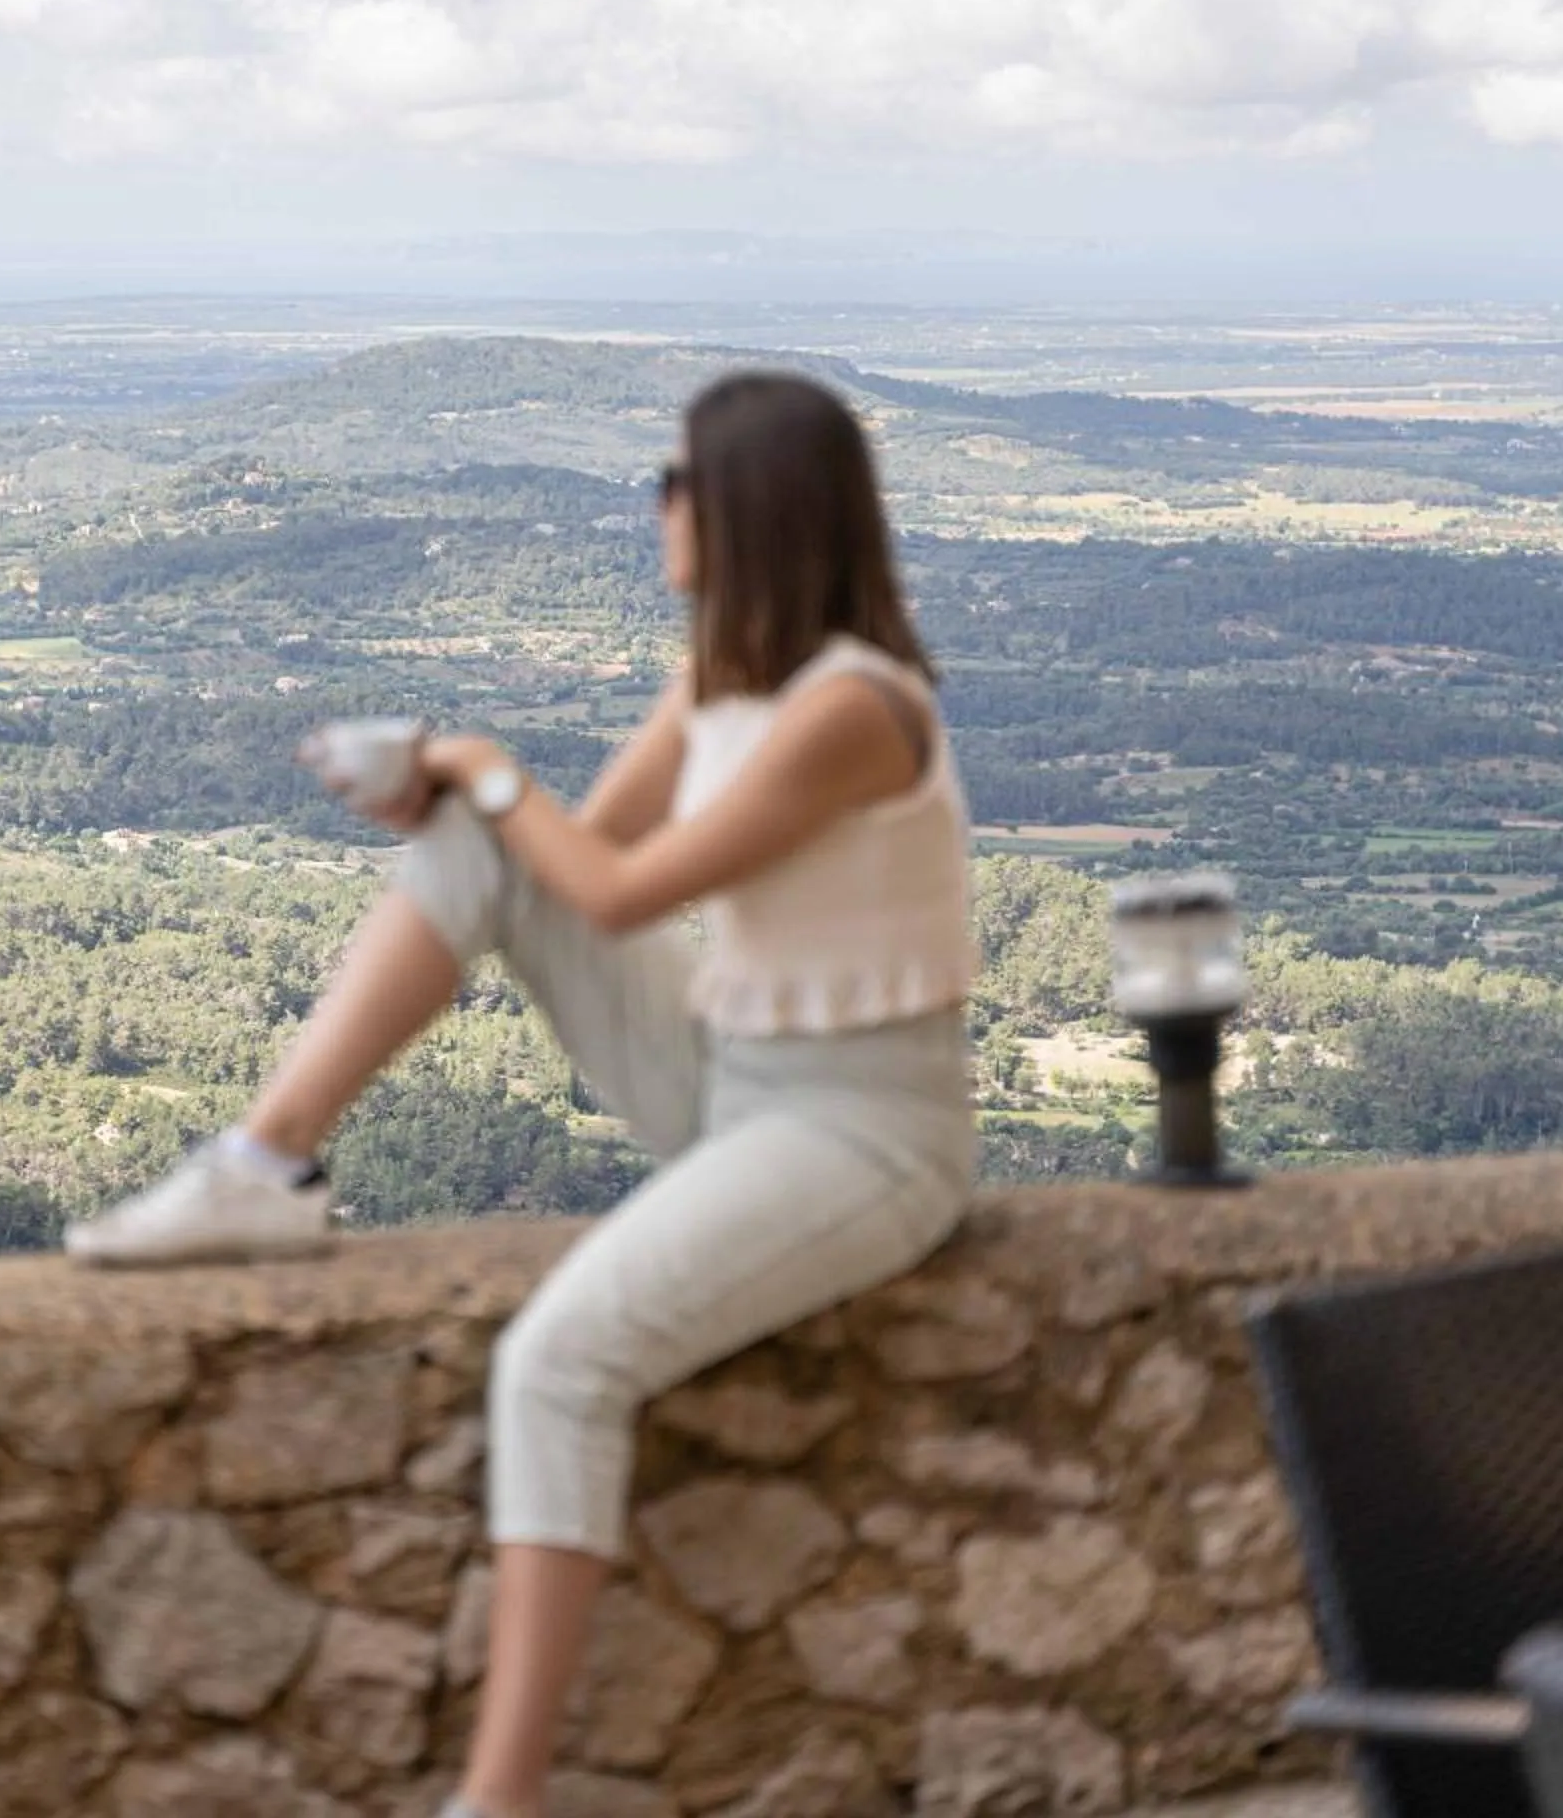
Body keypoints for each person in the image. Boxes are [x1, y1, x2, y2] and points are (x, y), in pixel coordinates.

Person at [65, 370, 981, 1818]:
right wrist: (446, 796)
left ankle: (500, 1802)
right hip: (727, 1072)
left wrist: (484, 769)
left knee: (559, 1366)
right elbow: (574, 852)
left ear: (746, 508)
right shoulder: (721, 681)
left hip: (866, 1128)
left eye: (673, 484)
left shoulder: (853, 710)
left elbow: (616, 889)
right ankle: (267, 1164)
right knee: (474, 852)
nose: (658, 510)